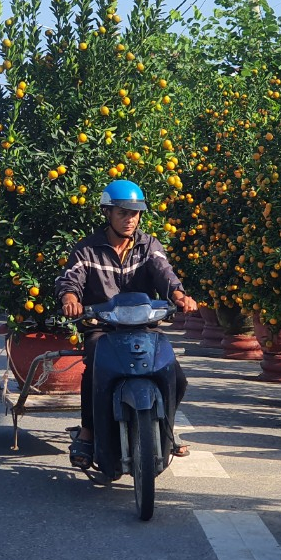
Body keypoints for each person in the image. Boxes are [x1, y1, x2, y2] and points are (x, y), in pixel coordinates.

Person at [55, 179, 198, 470]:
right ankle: (88, 432)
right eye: (122, 212)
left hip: (145, 327)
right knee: (95, 367)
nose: (130, 219)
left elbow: (165, 273)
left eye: (135, 213)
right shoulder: (87, 250)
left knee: (177, 377)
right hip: (103, 328)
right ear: (108, 213)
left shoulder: (149, 246)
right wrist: (71, 299)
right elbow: (70, 280)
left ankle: (166, 429)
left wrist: (180, 295)